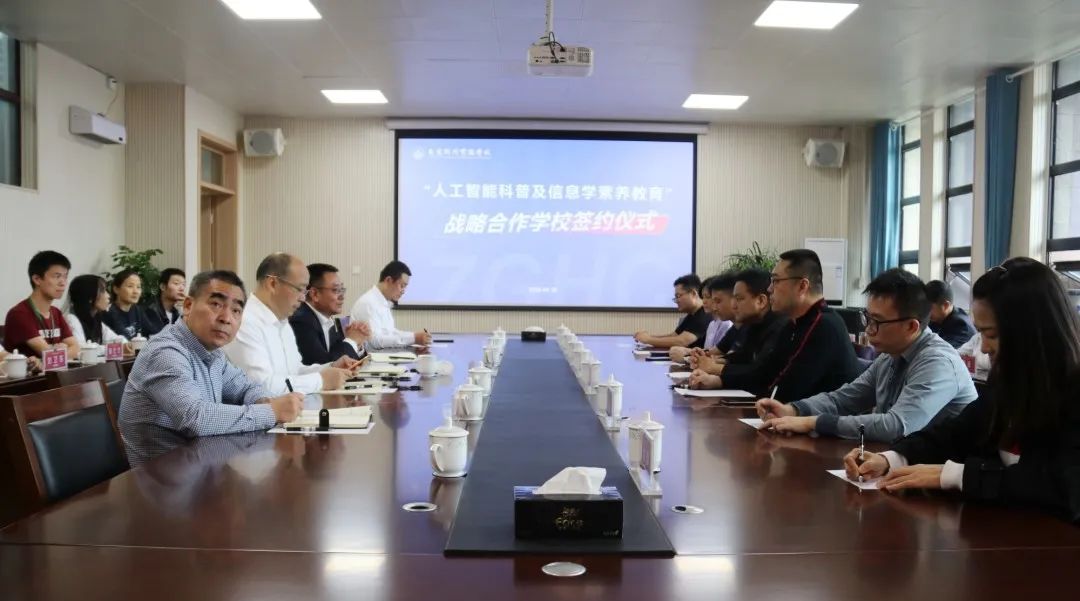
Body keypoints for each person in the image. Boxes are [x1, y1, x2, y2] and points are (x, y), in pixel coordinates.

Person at [846, 258, 1080, 524]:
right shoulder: (1010, 382)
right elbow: (956, 433)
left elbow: (1062, 487)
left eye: (991, 335)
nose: (984, 348)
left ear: (1032, 332)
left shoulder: (1073, 391)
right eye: (980, 334)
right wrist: (892, 458)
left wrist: (954, 475)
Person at [756, 269, 977, 443]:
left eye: (877, 322)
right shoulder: (890, 355)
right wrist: (794, 409)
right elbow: (845, 398)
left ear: (911, 326)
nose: (868, 330)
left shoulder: (938, 362)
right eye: (867, 318)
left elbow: (896, 427)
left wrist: (813, 423)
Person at [119, 270, 305, 452]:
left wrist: (265, 401)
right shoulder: (165, 352)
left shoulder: (212, 353)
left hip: (203, 460)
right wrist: (271, 412)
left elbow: (245, 387)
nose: (226, 318)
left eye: (236, 310)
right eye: (216, 304)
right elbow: (195, 418)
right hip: (164, 470)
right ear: (188, 305)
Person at [690, 250, 860, 401]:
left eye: (776, 281)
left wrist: (718, 373)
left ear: (802, 286)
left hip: (820, 424)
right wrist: (719, 381)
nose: (770, 288)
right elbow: (764, 372)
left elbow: (785, 387)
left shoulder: (823, 325)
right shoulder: (793, 323)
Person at [225, 253, 357, 395]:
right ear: (273, 284)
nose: (303, 298)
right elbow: (261, 388)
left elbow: (295, 371)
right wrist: (321, 380)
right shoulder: (245, 322)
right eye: (299, 289)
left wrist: (331, 367)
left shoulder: (282, 320)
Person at [688, 269, 785, 376]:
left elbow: (762, 373)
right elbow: (744, 357)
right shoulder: (754, 324)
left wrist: (715, 367)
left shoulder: (780, 327)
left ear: (761, 301)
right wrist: (715, 362)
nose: (733, 306)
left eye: (739, 299)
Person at [3, 250, 79, 359]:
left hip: (54, 369)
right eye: (57, 276)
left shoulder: (55, 312)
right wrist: (62, 349)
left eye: (65, 277)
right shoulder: (19, 313)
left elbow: (76, 349)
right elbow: (49, 355)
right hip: (28, 370)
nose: (63, 283)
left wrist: (59, 351)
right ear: (37, 279)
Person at [290, 263, 371, 365]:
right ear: (315, 294)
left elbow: (336, 354)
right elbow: (325, 365)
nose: (342, 297)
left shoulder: (328, 319)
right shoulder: (301, 321)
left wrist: (357, 343)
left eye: (342, 290)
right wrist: (352, 340)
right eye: (336, 290)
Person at [349, 261, 431, 349]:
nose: (403, 291)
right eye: (402, 286)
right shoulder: (367, 303)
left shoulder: (382, 302)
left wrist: (414, 336)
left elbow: (391, 332)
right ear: (388, 280)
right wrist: (414, 338)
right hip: (370, 355)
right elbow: (375, 341)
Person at [634, 274, 712, 349]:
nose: (676, 301)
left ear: (693, 293)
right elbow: (674, 336)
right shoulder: (692, 314)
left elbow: (682, 341)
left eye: (678, 296)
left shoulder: (704, 314)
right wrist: (649, 337)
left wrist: (648, 340)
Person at [669, 274, 735, 363]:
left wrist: (686, 358)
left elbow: (724, 359)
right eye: (703, 297)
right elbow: (713, 352)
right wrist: (691, 352)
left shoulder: (727, 324)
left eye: (708, 297)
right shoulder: (713, 324)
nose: (703, 301)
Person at [64, 274, 127, 345]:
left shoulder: (95, 318)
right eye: (103, 291)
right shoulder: (72, 319)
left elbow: (115, 339)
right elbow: (81, 349)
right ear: (89, 297)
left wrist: (126, 344)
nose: (108, 296)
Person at [102, 270, 154, 340]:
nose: (136, 291)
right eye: (130, 286)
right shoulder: (109, 312)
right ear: (116, 289)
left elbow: (152, 332)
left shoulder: (137, 309)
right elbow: (124, 339)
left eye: (138, 287)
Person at [925, 280, 976, 348]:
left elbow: (940, 350)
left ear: (945, 305)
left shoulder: (961, 326)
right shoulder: (936, 319)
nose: (925, 311)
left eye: (929, 307)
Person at [147, 268, 186, 334]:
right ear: (163, 287)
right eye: (176, 283)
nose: (182, 288)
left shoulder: (176, 312)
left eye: (183, 284)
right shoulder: (151, 310)